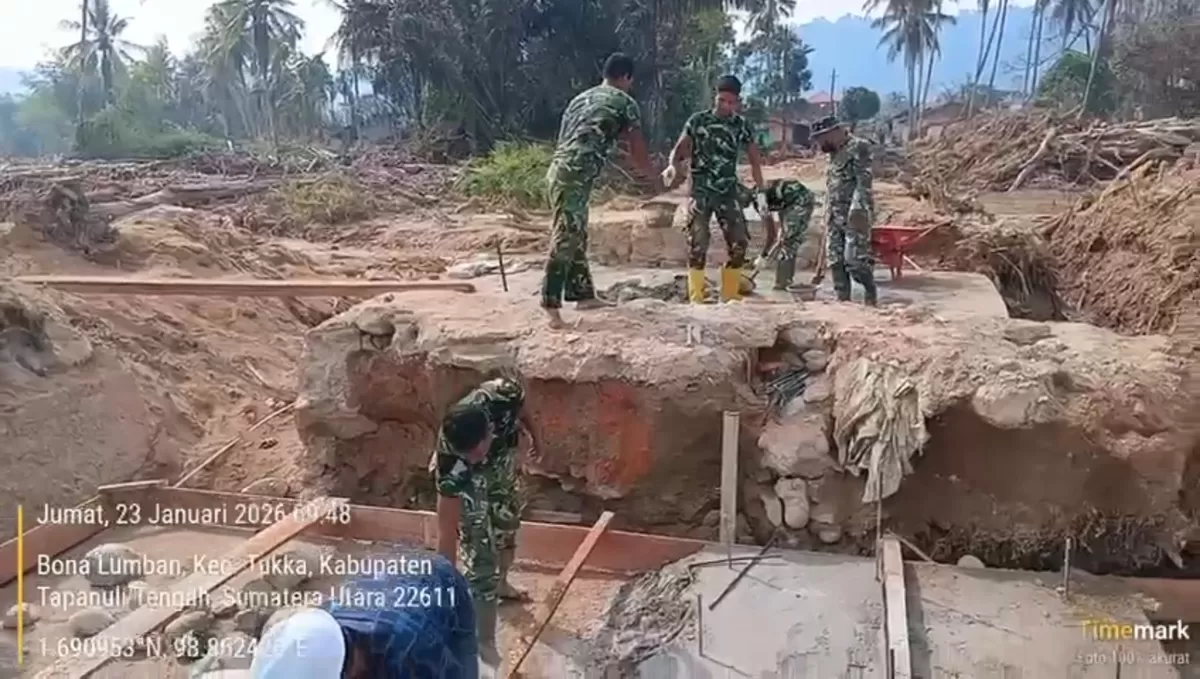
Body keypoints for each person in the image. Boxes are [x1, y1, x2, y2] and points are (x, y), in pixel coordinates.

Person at [541, 52, 658, 329]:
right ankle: (550, 303)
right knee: (567, 235)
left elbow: (570, 139)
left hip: (558, 171)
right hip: (574, 175)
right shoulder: (624, 102)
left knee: (576, 231)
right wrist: (654, 176)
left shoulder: (580, 99)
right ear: (626, 77)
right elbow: (636, 149)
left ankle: (583, 295)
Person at [430, 375, 536, 668]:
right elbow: (446, 532)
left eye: (478, 449)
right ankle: (483, 642)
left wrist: (536, 439)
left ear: (490, 429)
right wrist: (445, 584)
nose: (476, 456)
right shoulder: (453, 464)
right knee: (481, 560)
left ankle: (502, 584)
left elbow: (522, 408)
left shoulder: (502, 394)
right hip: (469, 483)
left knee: (507, 524)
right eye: (470, 454)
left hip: (501, 464)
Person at [249, 551, 477, 678]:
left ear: (350, 670)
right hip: (381, 576)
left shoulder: (412, 649)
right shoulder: (316, 631)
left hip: (437, 579)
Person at [662, 75, 766, 304]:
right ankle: (696, 297)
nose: (725, 106)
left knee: (739, 242)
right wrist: (672, 166)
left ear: (737, 102)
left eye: (730, 102)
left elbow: (755, 160)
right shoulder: (698, 121)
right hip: (700, 192)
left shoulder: (741, 125)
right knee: (697, 243)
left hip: (728, 191)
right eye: (721, 100)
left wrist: (761, 190)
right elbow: (679, 150)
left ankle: (729, 294)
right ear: (715, 97)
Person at [810, 115, 878, 306]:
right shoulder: (833, 153)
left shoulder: (859, 146)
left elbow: (863, 184)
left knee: (854, 262)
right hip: (834, 215)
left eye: (821, 138)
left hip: (854, 215)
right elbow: (833, 186)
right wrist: (827, 214)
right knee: (835, 261)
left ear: (834, 132)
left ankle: (870, 291)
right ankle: (843, 303)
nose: (819, 143)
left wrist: (856, 215)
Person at [739, 179, 816, 291]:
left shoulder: (760, 201)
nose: (740, 206)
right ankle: (783, 281)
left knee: (788, 242)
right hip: (788, 202)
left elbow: (771, 235)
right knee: (785, 237)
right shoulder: (759, 194)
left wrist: (763, 256)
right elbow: (780, 204)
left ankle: (783, 283)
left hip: (800, 200)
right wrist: (782, 229)